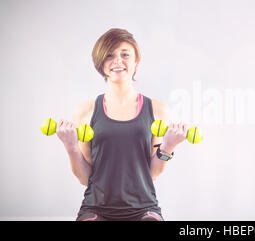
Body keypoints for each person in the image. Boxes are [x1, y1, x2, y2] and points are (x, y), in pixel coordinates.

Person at [56, 28, 187, 221]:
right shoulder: (85, 111)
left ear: (136, 61)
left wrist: (169, 146)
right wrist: (70, 145)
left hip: (144, 209)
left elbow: (152, 174)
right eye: (109, 55)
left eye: (125, 54)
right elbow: (85, 178)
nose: (117, 61)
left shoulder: (158, 110)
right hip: (96, 208)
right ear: (101, 64)